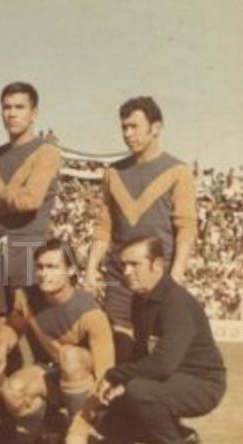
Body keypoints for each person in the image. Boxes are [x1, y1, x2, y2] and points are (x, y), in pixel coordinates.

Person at [64, 236, 226, 444]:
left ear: (157, 265)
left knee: (139, 391)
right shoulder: (140, 299)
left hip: (202, 383)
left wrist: (117, 375)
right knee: (109, 407)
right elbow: (142, 353)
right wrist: (117, 387)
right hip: (172, 379)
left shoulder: (175, 303)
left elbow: (162, 365)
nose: (127, 272)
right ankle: (179, 436)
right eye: (124, 265)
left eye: (135, 264)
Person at [85, 97, 197, 363]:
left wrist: (178, 271)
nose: (128, 134)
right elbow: (104, 227)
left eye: (134, 126)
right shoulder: (113, 173)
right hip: (119, 275)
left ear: (155, 128)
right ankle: (116, 404)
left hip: (158, 276)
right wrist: (91, 267)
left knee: (156, 353)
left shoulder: (178, 171)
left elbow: (186, 225)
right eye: (124, 127)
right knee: (117, 349)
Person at [0, 239, 114, 444]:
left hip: (87, 385)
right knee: (12, 392)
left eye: (52, 267)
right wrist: (0, 350)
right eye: (40, 267)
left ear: (70, 270)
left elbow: (106, 372)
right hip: (54, 375)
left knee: (70, 357)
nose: (43, 273)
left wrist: (86, 419)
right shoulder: (26, 297)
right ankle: (54, 425)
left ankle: (84, 430)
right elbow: (13, 328)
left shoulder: (91, 312)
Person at [0, 81, 61, 315]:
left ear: (34, 113)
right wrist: (11, 201)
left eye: (20, 107)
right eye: (7, 107)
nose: (12, 114)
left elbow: (30, 201)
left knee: (31, 326)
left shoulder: (47, 152)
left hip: (32, 249)